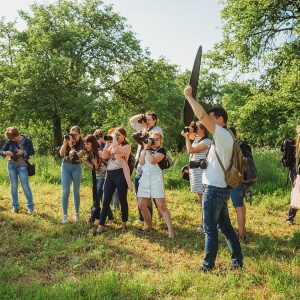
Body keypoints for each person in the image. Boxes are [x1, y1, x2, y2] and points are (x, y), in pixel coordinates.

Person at [184, 84, 243, 271]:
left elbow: (201, 116)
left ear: (220, 119)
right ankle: (237, 262)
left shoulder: (223, 134)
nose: (207, 123)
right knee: (225, 228)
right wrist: (197, 103)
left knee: (210, 229)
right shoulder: (225, 137)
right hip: (220, 188)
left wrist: (189, 98)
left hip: (214, 189)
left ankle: (207, 265)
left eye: (211, 119)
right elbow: (201, 115)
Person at [94, 127, 133, 235]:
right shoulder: (112, 145)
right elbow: (104, 156)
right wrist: (107, 143)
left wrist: (114, 140)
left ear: (124, 136)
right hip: (110, 174)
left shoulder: (127, 146)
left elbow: (116, 151)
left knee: (122, 198)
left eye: (118, 135)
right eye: (115, 135)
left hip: (120, 174)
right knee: (105, 200)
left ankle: (124, 223)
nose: (116, 137)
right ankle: (100, 226)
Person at [137, 131, 175, 238]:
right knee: (142, 205)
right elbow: (141, 162)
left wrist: (148, 149)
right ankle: (149, 225)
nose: (155, 141)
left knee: (161, 206)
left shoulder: (161, 151)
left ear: (160, 141)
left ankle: (170, 230)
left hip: (156, 181)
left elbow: (153, 161)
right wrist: (145, 148)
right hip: (144, 180)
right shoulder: (146, 149)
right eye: (152, 139)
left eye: (157, 139)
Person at [130, 110, 163, 223]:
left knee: (150, 195)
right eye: (146, 119)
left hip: (151, 165)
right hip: (141, 164)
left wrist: (143, 128)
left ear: (155, 120)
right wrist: (140, 116)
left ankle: (149, 219)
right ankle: (143, 218)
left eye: (149, 120)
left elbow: (150, 141)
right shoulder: (145, 129)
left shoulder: (157, 130)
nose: (147, 122)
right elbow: (131, 121)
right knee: (140, 193)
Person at [181, 121, 211, 233]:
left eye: (197, 128)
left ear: (203, 129)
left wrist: (187, 137)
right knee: (201, 199)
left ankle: (205, 225)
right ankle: (205, 223)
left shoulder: (207, 141)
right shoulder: (198, 139)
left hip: (201, 173)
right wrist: (190, 127)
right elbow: (183, 132)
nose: (195, 129)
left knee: (204, 200)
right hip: (195, 172)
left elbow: (190, 150)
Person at [0, 126, 35, 214]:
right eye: (11, 138)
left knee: (25, 187)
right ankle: (15, 206)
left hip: (22, 166)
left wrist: (23, 151)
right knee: (13, 187)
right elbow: (1, 151)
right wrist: (5, 153)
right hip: (11, 165)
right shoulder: (10, 141)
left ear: (17, 134)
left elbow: (32, 151)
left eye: (13, 137)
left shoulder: (26, 140)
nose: (13, 140)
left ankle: (30, 207)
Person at [85, 130, 114, 225]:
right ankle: (110, 217)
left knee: (98, 196)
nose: (86, 146)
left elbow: (95, 167)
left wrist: (82, 161)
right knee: (101, 197)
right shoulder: (92, 152)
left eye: (88, 144)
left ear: (92, 143)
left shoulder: (99, 152)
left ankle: (92, 217)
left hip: (103, 177)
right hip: (97, 177)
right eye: (85, 144)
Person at [59, 126, 85, 224]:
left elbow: (78, 155)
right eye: (71, 134)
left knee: (76, 191)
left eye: (75, 135)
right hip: (65, 166)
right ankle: (65, 215)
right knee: (65, 191)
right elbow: (61, 153)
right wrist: (66, 143)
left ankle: (77, 213)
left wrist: (71, 145)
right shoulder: (67, 140)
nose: (73, 136)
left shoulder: (82, 142)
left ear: (79, 134)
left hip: (76, 167)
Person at [227, 126, 249, 239]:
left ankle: (241, 234)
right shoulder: (242, 144)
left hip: (234, 179)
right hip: (244, 177)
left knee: (238, 207)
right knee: (241, 204)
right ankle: (243, 229)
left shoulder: (232, 146)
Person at [286, 125, 300, 224]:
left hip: (296, 172)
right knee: (296, 193)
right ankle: (289, 218)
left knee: (297, 193)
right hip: (296, 173)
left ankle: (290, 218)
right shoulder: (296, 144)